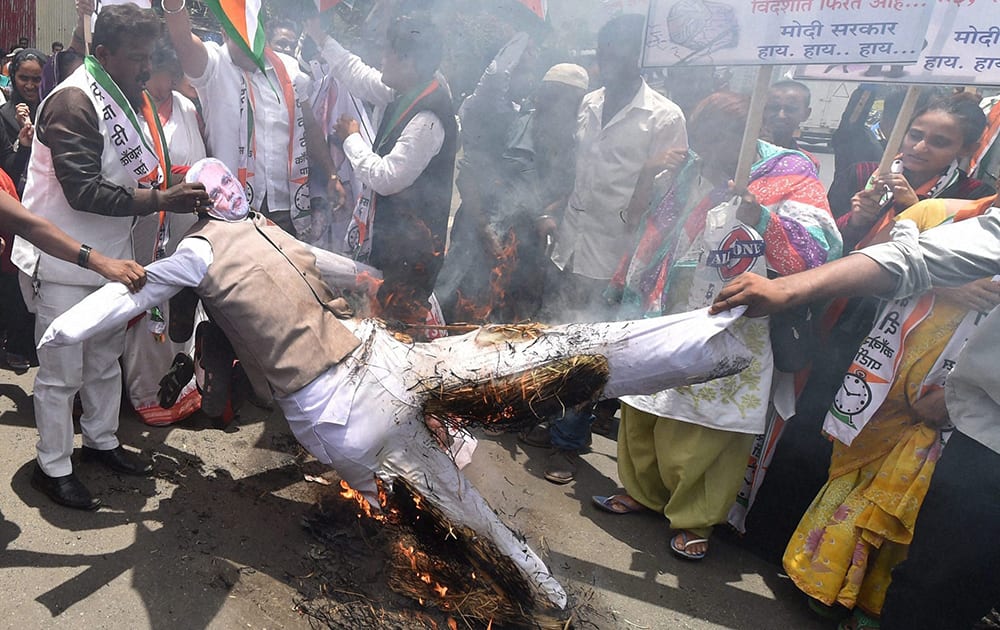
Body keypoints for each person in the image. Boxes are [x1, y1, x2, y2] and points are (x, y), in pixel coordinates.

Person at [39, 158, 756, 617]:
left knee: (452, 507)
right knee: (554, 350)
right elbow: (339, 264)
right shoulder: (270, 231)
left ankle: (533, 585)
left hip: (338, 410)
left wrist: (59, 334)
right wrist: (368, 275)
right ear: (240, 197)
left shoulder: (194, 250)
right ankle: (709, 342)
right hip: (389, 363)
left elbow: (125, 298)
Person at [712, 204, 1000, 630]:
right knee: (937, 586)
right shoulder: (947, 215)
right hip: (984, 435)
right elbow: (910, 257)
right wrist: (790, 289)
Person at [592, 91, 840, 561]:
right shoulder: (692, 167)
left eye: (720, 142)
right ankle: (643, 492)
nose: (709, 153)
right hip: (673, 307)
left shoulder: (790, 171)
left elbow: (819, 252)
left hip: (738, 320)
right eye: (703, 142)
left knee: (710, 427)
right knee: (650, 403)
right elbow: (655, 228)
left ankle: (694, 518)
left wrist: (761, 219)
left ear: (749, 134)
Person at [9, 2, 212, 511]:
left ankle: (100, 441)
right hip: (64, 262)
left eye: (147, 57)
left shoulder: (122, 93)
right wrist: (160, 200)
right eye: (137, 57)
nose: (146, 67)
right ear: (103, 54)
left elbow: (132, 172)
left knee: (104, 362)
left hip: (112, 258)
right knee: (60, 374)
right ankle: (52, 466)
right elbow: (83, 191)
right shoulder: (73, 101)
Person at [526, 14, 688, 484]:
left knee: (592, 349)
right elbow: (578, 171)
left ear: (639, 59)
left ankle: (569, 443)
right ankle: (551, 421)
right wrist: (554, 209)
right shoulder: (589, 103)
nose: (608, 64)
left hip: (617, 254)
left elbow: (668, 201)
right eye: (603, 53)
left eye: (619, 54)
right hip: (570, 243)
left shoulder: (663, 116)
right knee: (558, 335)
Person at [303, 11, 458, 323]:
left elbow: (388, 178)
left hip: (409, 259)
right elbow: (358, 75)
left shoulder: (429, 116)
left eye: (388, 52)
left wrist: (351, 139)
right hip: (388, 247)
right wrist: (322, 38)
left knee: (396, 337)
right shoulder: (405, 91)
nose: (381, 58)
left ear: (409, 61)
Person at [437, 62, 588, 324]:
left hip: (527, 252)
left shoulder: (576, 145)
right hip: (477, 238)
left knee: (511, 325)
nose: (555, 109)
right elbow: (467, 178)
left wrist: (547, 213)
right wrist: (485, 231)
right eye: (550, 98)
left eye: (567, 103)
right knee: (458, 312)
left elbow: (568, 191)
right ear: (540, 96)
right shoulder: (506, 127)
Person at [162, 0, 324, 237]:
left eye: (251, 32)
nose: (247, 42)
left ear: (264, 32)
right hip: (228, 209)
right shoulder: (214, 65)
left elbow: (309, 126)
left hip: (284, 208)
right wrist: (173, 4)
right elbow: (183, 41)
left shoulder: (289, 71)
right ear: (224, 32)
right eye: (238, 33)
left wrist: (330, 173)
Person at [122, 36, 208, 427]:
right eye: (160, 77)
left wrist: (188, 180)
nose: (165, 86)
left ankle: (179, 383)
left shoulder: (187, 107)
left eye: (173, 77)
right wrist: (161, 188)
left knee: (179, 301)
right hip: (143, 223)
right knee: (142, 297)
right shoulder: (131, 111)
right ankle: (142, 392)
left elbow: (200, 158)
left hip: (181, 224)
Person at [0, 48, 47, 373]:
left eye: (36, 79)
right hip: (14, 203)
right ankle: (15, 343)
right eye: (24, 78)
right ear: (13, 77)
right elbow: (4, 168)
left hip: (45, 199)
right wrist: (22, 142)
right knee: (15, 274)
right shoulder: (4, 115)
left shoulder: (50, 109)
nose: (30, 85)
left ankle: (34, 341)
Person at [760, 80, 813, 157]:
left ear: (806, 114)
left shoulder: (806, 161)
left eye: (790, 109)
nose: (781, 115)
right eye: (774, 107)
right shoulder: (743, 152)